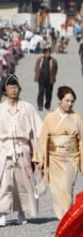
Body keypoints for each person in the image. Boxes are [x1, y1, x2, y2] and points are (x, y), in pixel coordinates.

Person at [35, 86, 83, 219]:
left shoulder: (76, 117)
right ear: (59, 100)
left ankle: (66, 213)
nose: (70, 104)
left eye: (72, 101)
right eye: (67, 100)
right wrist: (40, 159)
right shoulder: (50, 117)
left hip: (71, 158)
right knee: (56, 189)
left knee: (67, 188)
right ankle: (60, 216)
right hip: (54, 158)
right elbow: (43, 138)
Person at [0, 74, 43, 226]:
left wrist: (38, 152)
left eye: (16, 87)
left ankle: (21, 211)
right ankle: (2, 212)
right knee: (5, 182)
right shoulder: (1, 109)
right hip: (5, 149)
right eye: (10, 87)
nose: (13, 90)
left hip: (22, 148)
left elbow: (39, 130)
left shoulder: (27, 108)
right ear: (4, 90)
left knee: (23, 182)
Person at [34, 45, 58, 111]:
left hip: (49, 79)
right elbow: (36, 68)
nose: (47, 54)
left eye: (49, 53)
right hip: (41, 78)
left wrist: (53, 76)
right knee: (41, 92)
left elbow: (56, 69)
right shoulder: (40, 60)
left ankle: (47, 105)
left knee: (48, 93)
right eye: (46, 53)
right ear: (44, 53)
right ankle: (40, 105)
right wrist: (37, 75)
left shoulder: (53, 60)